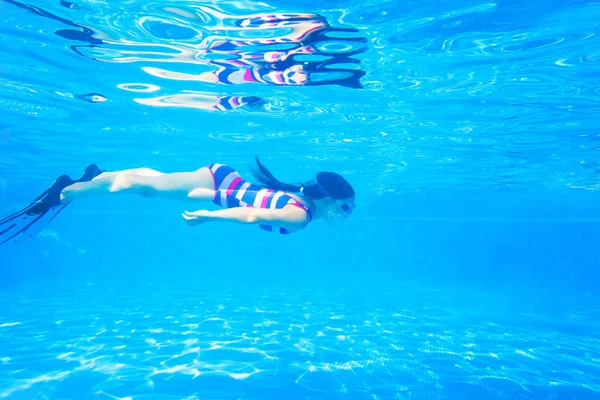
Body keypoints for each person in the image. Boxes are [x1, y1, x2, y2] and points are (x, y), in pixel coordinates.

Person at [0, 157, 356, 245]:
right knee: (146, 188)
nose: (344, 215)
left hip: (222, 175)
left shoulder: (301, 199)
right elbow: (251, 215)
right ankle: (62, 192)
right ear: (331, 200)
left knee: (151, 184)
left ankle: (96, 174)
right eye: (345, 207)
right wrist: (209, 214)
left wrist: (215, 198)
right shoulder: (300, 216)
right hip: (217, 186)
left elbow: (254, 205)